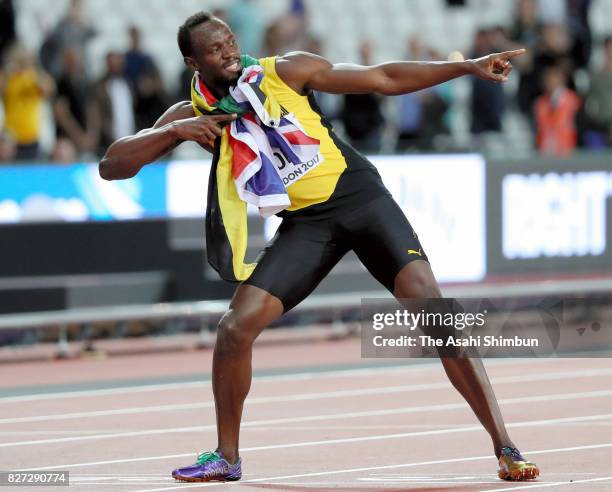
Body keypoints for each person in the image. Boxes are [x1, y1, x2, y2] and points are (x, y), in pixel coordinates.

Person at [99, 12, 539, 483]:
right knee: (234, 329)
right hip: (306, 225)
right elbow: (112, 165)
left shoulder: (285, 69)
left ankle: (506, 446)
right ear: (192, 61)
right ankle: (227, 457)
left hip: (360, 198)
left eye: (230, 41)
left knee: (435, 312)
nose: (228, 52)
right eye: (214, 49)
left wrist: (467, 67)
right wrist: (171, 133)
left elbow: (383, 78)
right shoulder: (193, 113)